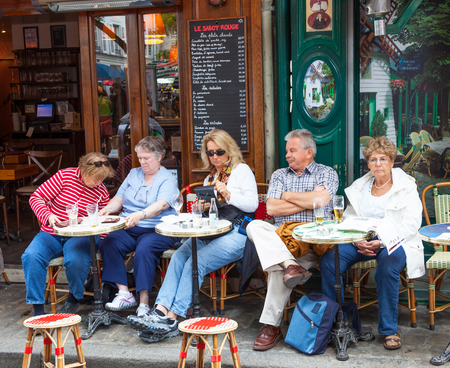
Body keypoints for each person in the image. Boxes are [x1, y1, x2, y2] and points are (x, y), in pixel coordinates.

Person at [127, 129, 258, 342]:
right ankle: (160, 311)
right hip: (213, 230)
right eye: (210, 153)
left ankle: (173, 317)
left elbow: (253, 204)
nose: (214, 156)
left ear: (229, 150)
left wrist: (228, 194)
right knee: (179, 256)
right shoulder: (211, 177)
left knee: (194, 263)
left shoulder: (241, 170)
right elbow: (211, 213)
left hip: (237, 232)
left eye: (219, 151)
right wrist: (202, 206)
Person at [320, 136, 425, 350]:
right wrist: (356, 238)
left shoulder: (406, 186)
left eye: (383, 159)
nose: (378, 164)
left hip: (395, 241)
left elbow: (412, 224)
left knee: (386, 268)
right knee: (330, 261)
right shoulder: (361, 187)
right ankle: (340, 320)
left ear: (391, 161)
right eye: (373, 159)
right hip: (362, 239)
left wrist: (383, 242)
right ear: (367, 163)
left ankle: (389, 330)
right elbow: (349, 216)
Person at [246, 129, 339, 351]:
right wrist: (309, 199)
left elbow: (322, 200)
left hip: (312, 242)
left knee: (277, 268)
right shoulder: (280, 175)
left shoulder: (327, 173)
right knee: (253, 225)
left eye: (292, 150)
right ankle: (291, 266)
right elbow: (271, 207)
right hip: (281, 240)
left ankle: (270, 326)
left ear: (309, 152)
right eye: (287, 151)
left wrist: (287, 196)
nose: (287, 155)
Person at [21, 153, 113, 316]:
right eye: (95, 179)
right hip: (52, 233)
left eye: (102, 179)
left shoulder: (101, 191)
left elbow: (103, 223)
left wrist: (102, 246)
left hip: (80, 235)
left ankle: (74, 298)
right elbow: (37, 197)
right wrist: (48, 216)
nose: (98, 183)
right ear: (83, 171)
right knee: (31, 256)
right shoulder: (64, 177)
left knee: (75, 259)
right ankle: (38, 309)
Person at [99, 136, 178, 318]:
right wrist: (105, 210)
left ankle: (143, 303)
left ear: (158, 157)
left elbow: (162, 205)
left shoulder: (167, 178)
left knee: (144, 250)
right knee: (110, 242)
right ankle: (124, 293)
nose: (142, 162)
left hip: (157, 229)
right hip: (130, 226)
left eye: (146, 158)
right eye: (140, 158)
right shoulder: (133, 174)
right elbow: (118, 199)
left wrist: (140, 215)